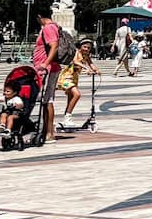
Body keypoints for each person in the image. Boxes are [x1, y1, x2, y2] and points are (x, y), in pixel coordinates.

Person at [57, 38, 102, 131]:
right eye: (84, 47)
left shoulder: (86, 56)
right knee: (77, 94)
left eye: (88, 48)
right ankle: (68, 117)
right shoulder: (76, 53)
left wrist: (96, 70)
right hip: (66, 77)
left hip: (74, 78)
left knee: (70, 98)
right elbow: (75, 61)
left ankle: (66, 119)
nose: (86, 49)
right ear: (80, 46)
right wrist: (86, 68)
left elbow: (91, 63)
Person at [32, 8, 62, 141]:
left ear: (39, 16)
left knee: (47, 100)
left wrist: (45, 63)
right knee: (45, 100)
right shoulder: (52, 27)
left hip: (48, 69)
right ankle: (45, 131)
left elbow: (54, 46)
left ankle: (49, 133)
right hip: (46, 68)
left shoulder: (48, 28)